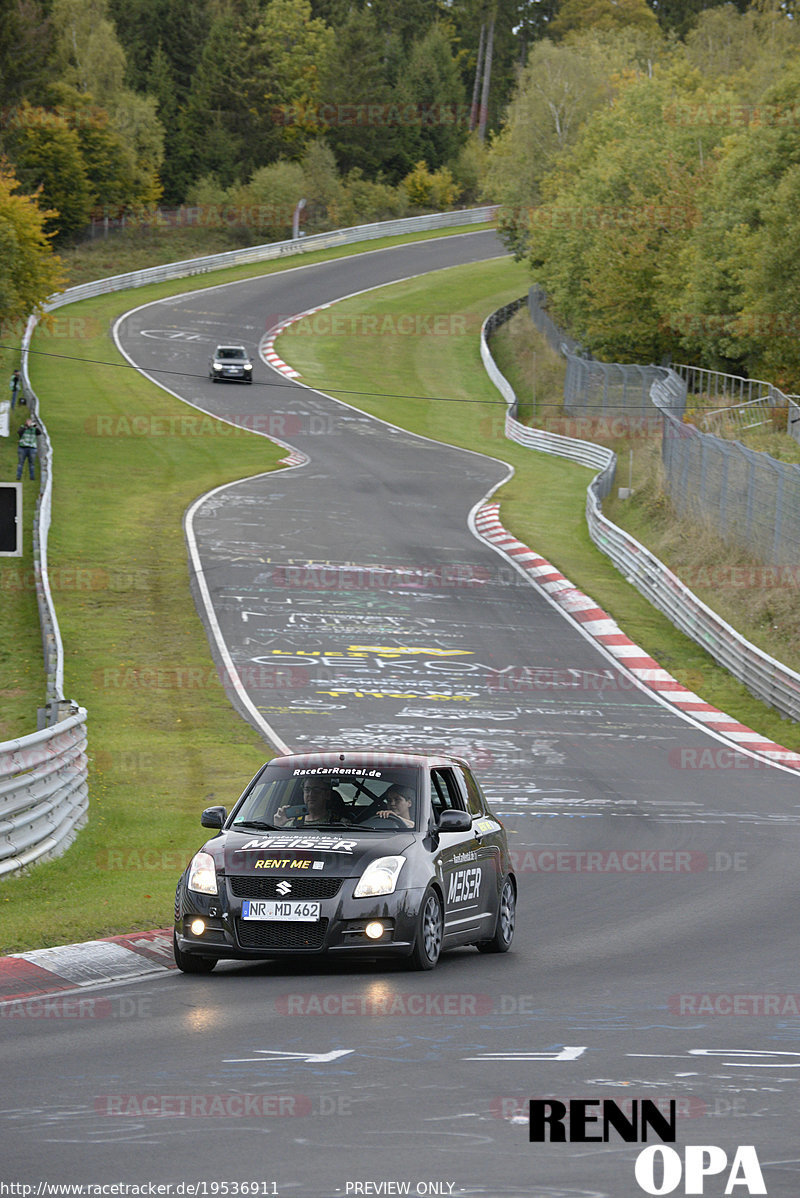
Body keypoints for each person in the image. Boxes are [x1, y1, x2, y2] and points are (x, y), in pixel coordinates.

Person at [273, 777, 347, 827]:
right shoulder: (291, 823)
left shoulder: (341, 824)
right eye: (307, 790)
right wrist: (277, 826)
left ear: (327, 795)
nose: (311, 794)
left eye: (316, 790)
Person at [16, 415, 41, 481]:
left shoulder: (34, 429)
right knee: (21, 463)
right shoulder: (23, 427)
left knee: (32, 464)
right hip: (22, 447)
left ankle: (32, 477)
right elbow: (19, 432)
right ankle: (18, 476)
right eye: (28, 422)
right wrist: (26, 427)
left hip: (32, 448)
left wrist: (35, 426)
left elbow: (39, 433)